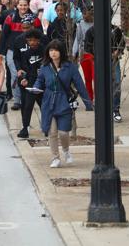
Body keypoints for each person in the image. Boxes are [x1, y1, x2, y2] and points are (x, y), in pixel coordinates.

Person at [34, 40, 93, 168]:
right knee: (52, 132)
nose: (53, 53)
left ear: (61, 52)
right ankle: (55, 158)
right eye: (51, 50)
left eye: (56, 50)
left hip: (64, 102)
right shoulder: (45, 67)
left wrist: (88, 103)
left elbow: (80, 85)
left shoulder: (70, 67)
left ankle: (66, 151)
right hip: (48, 102)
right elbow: (39, 80)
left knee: (64, 132)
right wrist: (35, 88)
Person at [14, 28, 47, 139]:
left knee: (44, 106)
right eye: (30, 40)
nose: (32, 42)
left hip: (43, 83)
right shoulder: (26, 53)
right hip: (30, 83)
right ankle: (25, 128)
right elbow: (24, 68)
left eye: (34, 40)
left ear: (39, 40)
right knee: (27, 106)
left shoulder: (45, 51)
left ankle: (47, 127)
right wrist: (24, 78)